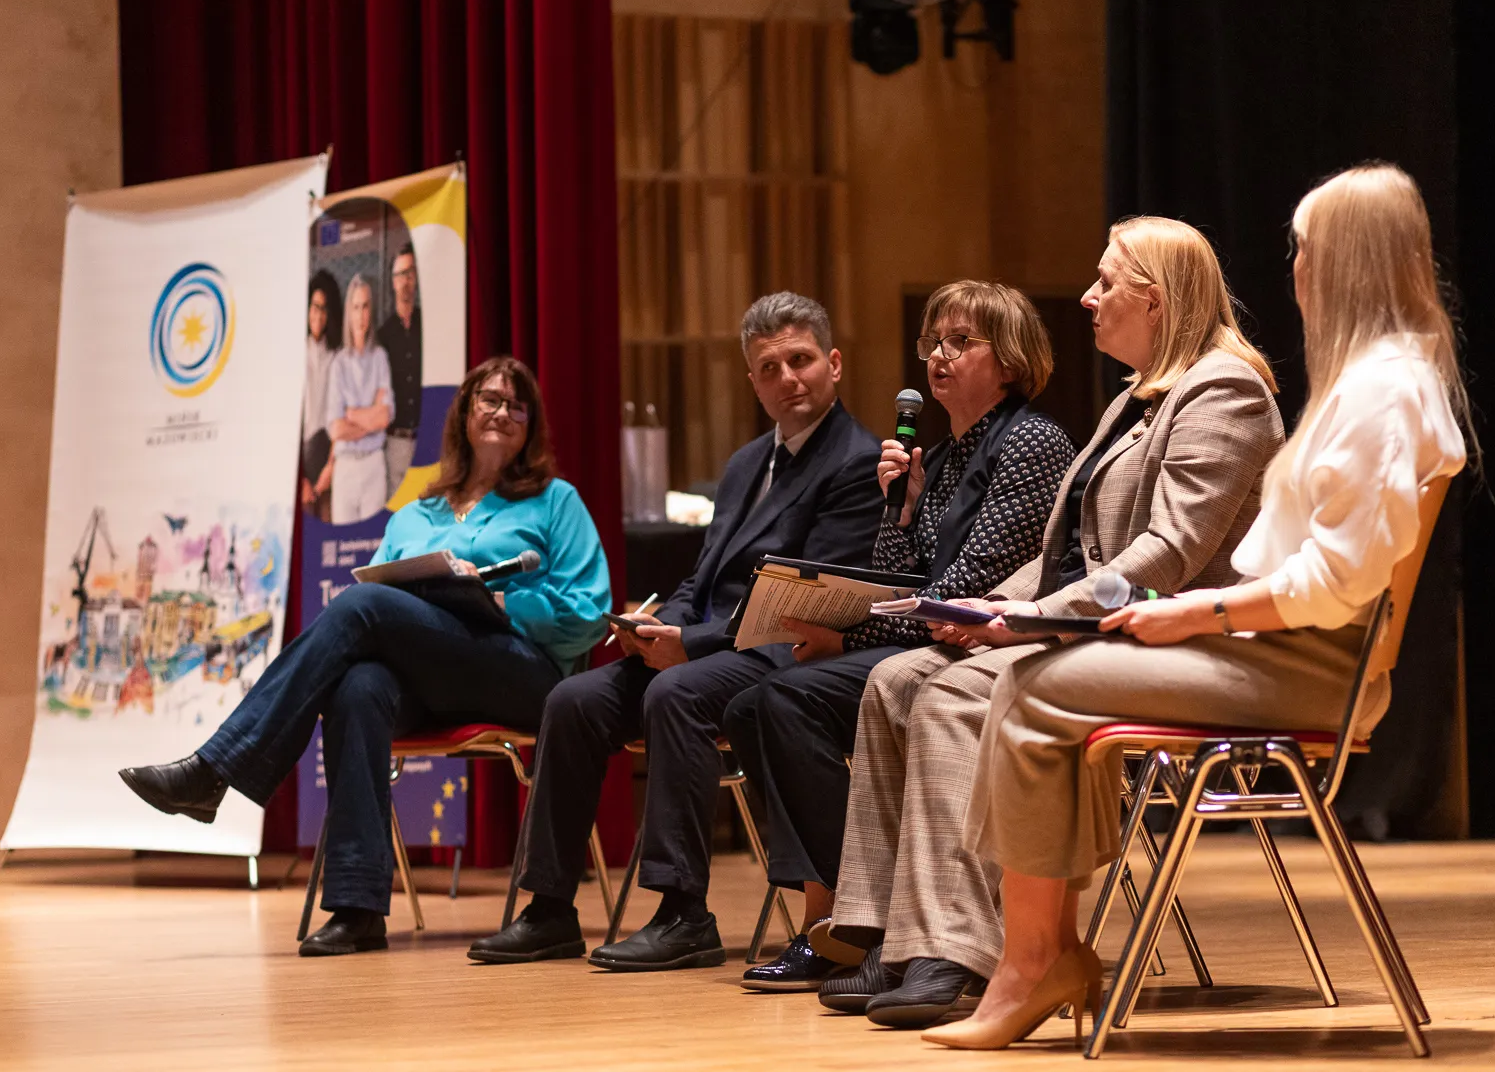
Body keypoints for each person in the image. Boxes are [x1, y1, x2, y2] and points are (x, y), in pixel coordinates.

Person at [923, 165, 1469, 1050]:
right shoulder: (1376, 380)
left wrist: (1196, 616)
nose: (1294, 266)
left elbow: (1337, 582)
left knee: (1030, 682)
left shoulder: (1385, 392)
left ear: (1347, 264)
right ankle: (1041, 951)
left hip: (1309, 666)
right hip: (1285, 647)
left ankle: (1033, 962)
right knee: (1038, 676)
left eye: (1306, 248)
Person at [823, 216, 1285, 1029]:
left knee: (952, 696)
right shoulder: (1137, 401)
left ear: (1157, 298)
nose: (1088, 297)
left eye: (1107, 283)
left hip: (1183, 642)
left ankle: (960, 949)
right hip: (1103, 627)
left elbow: (1164, 556)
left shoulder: (1225, 389)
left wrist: (1032, 619)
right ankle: (892, 937)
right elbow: (1071, 547)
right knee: (895, 681)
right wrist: (996, 605)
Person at [119, 357, 612, 957]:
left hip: (520, 671)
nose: (503, 413)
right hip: (428, 675)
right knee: (358, 685)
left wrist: (511, 602)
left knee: (362, 608)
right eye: (490, 399)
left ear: (531, 425)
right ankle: (357, 906)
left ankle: (216, 768)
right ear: (463, 413)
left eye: (517, 405)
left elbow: (590, 611)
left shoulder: (555, 502)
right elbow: (384, 595)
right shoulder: (414, 515)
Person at [468, 291, 884, 971]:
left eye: (801, 360)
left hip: (781, 654)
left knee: (678, 695)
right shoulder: (747, 462)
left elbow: (808, 596)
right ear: (753, 382)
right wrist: (655, 624)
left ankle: (683, 912)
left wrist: (689, 645)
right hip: (707, 644)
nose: (788, 378)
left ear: (833, 364)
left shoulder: (856, 462)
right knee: (571, 702)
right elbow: (704, 577)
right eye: (770, 367)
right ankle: (548, 908)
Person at [721, 281, 1075, 993]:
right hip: (925, 644)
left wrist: (845, 644)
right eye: (933, 342)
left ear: (1007, 360)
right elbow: (894, 582)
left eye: (960, 342)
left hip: (986, 647)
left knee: (784, 701)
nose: (937, 357)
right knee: (752, 705)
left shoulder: (1033, 441)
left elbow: (970, 584)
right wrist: (902, 510)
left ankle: (867, 923)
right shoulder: (940, 458)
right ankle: (857, 919)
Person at [326, 274, 394, 523]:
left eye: (366, 306)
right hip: (345, 469)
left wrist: (352, 414)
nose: (361, 314)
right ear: (349, 312)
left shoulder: (380, 358)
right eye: (356, 307)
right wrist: (370, 415)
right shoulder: (339, 364)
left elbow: (385, 417)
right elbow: (336, 429)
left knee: (372, 555)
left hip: (374, 465)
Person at [376, 242, 422, 500]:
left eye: (410, 273)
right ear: (392, 282)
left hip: (429, 438)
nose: (405, 280)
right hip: (396, 443)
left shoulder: (428, 327)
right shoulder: (382, 335)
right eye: (400, 274)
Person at [301, 270, 341, 518]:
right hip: (302, 462)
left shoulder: (337, 357)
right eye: (314, 307)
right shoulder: (295, 353)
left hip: (330, 458)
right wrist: (301, 480)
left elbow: (340, 414)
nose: (318, 315)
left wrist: (330, 468)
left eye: (324, 309)